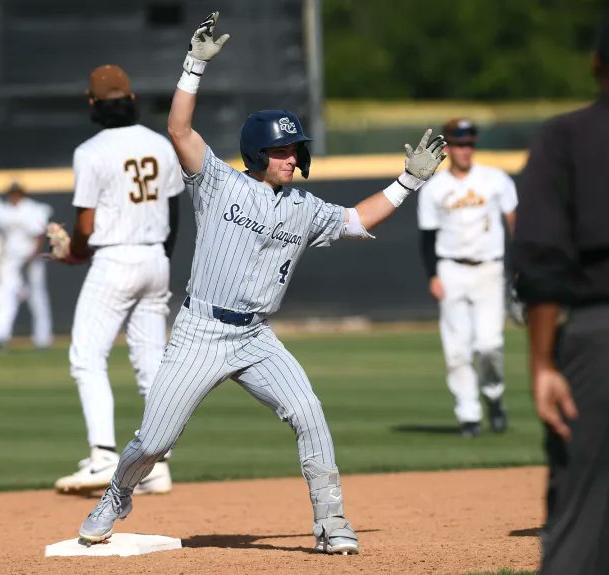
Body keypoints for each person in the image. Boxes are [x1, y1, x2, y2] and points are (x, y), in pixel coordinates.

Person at [74, 11, 447, 555]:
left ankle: (332, 522)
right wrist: (192, 67)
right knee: (155, 440)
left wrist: (408, 181)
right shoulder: (217, 181)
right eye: (281, 150)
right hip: (201, 331)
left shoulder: (305, 206)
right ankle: (116, 494)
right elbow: (179, 130)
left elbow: (357, 219)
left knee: (309, 414)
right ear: (255, 153)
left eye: (296, 149)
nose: (291, 157)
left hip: (255, 337)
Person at [513, 2, 609, 573]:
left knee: (577, 530)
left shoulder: (565, 137)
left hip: (604, 336)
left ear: (596, 64)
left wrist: (544, 362)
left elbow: (543, 263)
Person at [51, 64, 185, 496]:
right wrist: (160, 258)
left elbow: (86, 226)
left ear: (92, 104)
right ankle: (158, 465)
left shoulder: (90, 151)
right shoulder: (159, 144)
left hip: (115, 260)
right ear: (132, 101)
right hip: (155, 259)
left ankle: (105, 455)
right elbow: (175, 209)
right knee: (151, 365)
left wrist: (72, 251)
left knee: (87, 356)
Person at [416, 118, 517, 437]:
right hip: (451, 268)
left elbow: (515, 223)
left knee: (489, 345)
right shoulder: (434, 188)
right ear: (448, 148)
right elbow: (427, 237)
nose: (465, 150)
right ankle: (469, 415)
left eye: (469, 143)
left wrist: (521, 265)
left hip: (489, 267)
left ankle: (494, 395)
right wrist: (432, 275)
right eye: (459, 144)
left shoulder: (495, 179)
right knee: (457, 349)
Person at [0, 181, 53, 350]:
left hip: (30, 260)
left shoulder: (31, 209)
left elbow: (39, 236)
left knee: (37, 299)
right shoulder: (4, 211)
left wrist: (32, 257)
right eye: (11, 192)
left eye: (16, 192)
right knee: (6, 296)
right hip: (11, 261)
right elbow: (3, 237)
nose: (13, 195)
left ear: (22, 194)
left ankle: (42, 339)